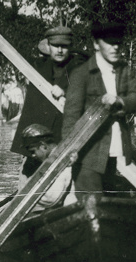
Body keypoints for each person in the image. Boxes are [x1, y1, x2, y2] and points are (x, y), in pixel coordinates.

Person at [61, 22, 136, 214]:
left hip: (117, 153)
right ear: (96, 44)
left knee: (109, 207)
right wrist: (70, 149)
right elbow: (71, 116)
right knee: (92, 208)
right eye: (110, 42)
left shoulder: (124, 70)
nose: (116, 47)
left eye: (119, 43)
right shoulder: (81, 74)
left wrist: (120, 101)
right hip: (88, 154)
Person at [11, 25, 87, 177]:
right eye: (55, 46)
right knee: (28, 176)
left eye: (64, 46)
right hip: (36, 145)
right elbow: (12, 51)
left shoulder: (79, 66)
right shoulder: (39, 68)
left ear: (70, 47)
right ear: (48, 46)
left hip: (62, 141)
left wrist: (66, 90)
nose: (59, 50)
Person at [16, 123, 78, 214]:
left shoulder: (62, 160)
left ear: (43, 146)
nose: (32, 155)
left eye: (33, 151)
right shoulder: (55, 157)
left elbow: (52, 199)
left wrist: (27, 189)